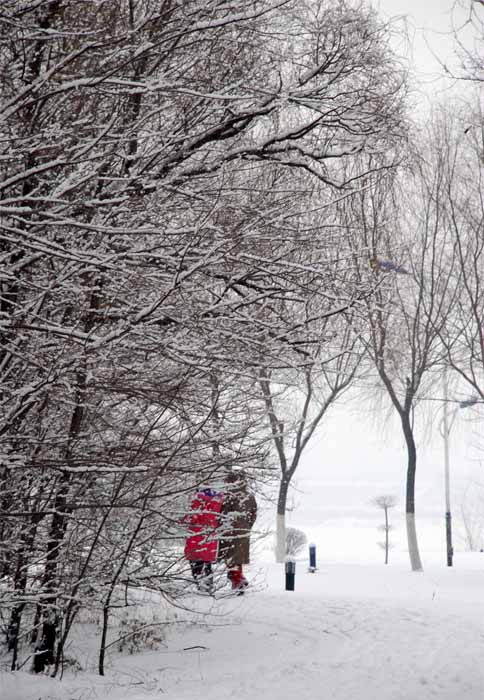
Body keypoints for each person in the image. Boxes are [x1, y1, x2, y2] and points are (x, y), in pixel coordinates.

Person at [219, 471, 257, 593]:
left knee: (231, 558)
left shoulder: (229, 495)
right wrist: (247, 526)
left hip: (230, 530)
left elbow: (223, 514)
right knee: (237, 558)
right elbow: (253, 514)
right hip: (244, 530)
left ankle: (238, 579)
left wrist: (221, 526)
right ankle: (238, 580)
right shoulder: (250, 496)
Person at [183, 487, 224, 593]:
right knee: (207, 561)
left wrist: (182, 520)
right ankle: (208, 583)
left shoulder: (196, 500)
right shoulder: (218, 501)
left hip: (195, 534)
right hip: (210, 535)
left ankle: (199, 581)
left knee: (195, 559)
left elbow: (191, 517)